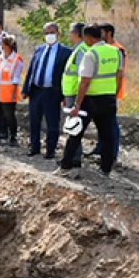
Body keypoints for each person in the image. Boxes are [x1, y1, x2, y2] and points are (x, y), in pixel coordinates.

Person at [56, 24, 124, 178]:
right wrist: (113, 94)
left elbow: (84, 82)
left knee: (76, 132)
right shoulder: (116, 52)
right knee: (107, 135)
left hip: (91, 100)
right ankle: (105, 169)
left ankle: (65, 165)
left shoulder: (91, 54)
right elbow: (119, 76)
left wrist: (77, 104)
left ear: (88, 37)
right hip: (108, 99)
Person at [22, 22, 72, 159]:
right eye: (46, 33)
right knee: (34, 120)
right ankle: (34, 147)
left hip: (53, 92)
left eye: (51, 32)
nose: (49, 35)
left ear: (58, 33)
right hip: (36, 90)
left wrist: (64, 95)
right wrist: (25, 88)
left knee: (52, 122)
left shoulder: (66, 52)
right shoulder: (38, 50)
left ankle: (50, 150)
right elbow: (31, 70)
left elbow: (67, 75)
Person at [90, 23, 126, 161]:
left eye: (101, 33)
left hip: (111, 93)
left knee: (111, 124)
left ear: (108, 33)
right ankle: (100, 149)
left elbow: (119, 73)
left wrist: (114, 93)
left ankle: (112, 154)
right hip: (101, 93)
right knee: (103, 124)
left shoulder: (118, 50)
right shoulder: (105, 49)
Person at [60, 22, 88, 168]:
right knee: (73, 126)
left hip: (74, 93)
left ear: (76, 34)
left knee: (74, 126)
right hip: (70, 93)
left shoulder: (81, 50)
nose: (69, 35)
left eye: (71, 32)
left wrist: (77, 97)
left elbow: (81, 75)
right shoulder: (77, 49)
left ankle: (74, 158)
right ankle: (72, 156)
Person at [0, 34, 24, 146]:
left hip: (8, 92)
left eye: (2, 44)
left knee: (9, 115)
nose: (0, 46)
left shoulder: (16, 60)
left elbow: (16, 78)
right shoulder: (0, 57)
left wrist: (13, 93)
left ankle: (13, 137)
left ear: (8, 45)